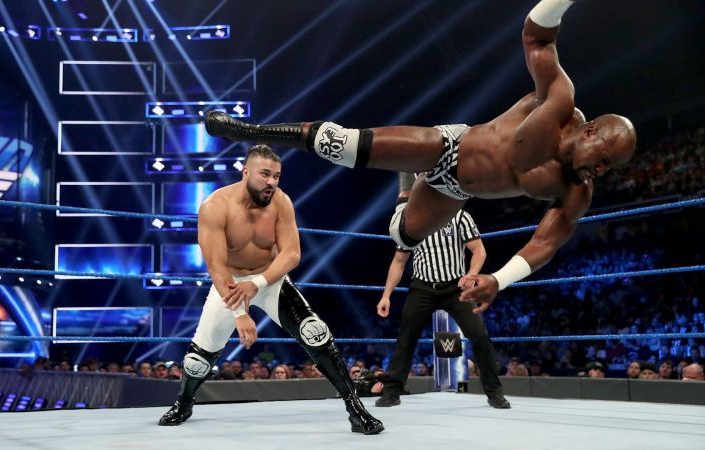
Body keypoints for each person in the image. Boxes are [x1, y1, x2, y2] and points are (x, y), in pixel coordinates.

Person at [204, 0, 637, 314]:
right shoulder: (559, 100)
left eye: (607, 169)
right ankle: (252, 131)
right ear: (592, 130)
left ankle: (404, 189)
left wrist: (497, 280)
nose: (600, 170)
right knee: (349, 145)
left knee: (404, 238)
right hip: (450, 144)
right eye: (604, 157)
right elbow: (536, 35)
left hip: (454, 190)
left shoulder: (575, 189)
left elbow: (545, 242)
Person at [158, 145, 383, 435]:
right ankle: (184, 403)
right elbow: (216, 265)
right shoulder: (215, 206)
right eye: (265, 174)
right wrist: (239, 313)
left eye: (276, 176)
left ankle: (356, 409)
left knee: (316, 333)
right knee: (198, 360)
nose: (272, 182)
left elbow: (291, 255)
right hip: (230, 282)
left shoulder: (281, 202)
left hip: (269, 279)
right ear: (246, 172)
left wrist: (258, 284)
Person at [375, 173, 510, 409]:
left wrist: (471, 274)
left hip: (454, 287)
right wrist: (386, 295)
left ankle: (494, 392)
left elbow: (479, 251)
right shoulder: (412, 222)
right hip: (422, 287)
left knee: (478, 334)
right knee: (406, 337)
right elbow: (399, 261)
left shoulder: (460, 217)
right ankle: (392, 391)